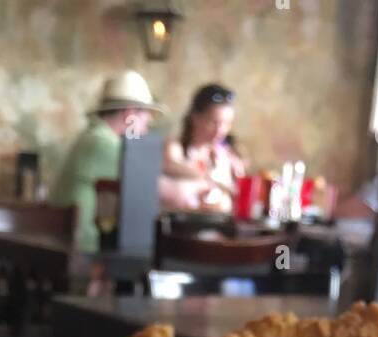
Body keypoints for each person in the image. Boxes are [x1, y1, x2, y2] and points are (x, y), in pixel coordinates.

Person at [51, 70, 164, 254]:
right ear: (130, 114)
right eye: (146, 113)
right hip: (82, 250)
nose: (149, 120)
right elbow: (151, 187)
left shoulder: (94, 136)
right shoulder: (103, 142)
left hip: (71, 244)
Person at [161, 83, 245, 214]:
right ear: (195, 118)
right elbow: (169, 167)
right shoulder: (175, 147)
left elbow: (229, 200)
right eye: (214, 122)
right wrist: (209, 179)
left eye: (226, 124)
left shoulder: (222, 158)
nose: (220, 130)